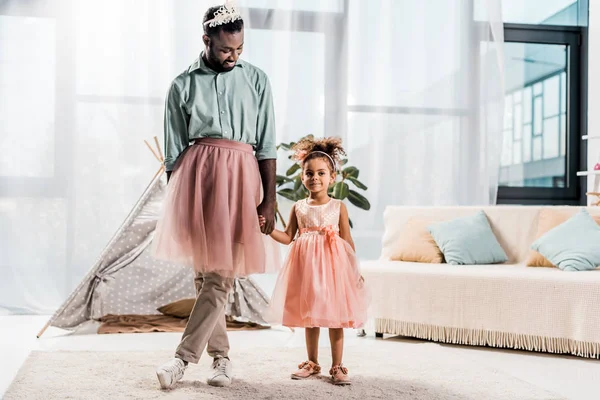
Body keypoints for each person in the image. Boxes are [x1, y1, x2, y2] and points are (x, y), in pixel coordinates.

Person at [152, 1, 277, 389]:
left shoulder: (257, 79)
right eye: (225, 50)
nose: (233, 56)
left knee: (220, 277)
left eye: (239, 49)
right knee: (204, 275)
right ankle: (221, 359)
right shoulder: (182, 84)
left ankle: (181, 360)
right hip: (197, 179)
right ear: (206, 40)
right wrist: (179, 205)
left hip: (240, 180)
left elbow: (267, 144)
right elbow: (174, 154)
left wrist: (269, 199)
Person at [262, 137, 369, 386]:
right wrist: (268, 229)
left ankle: (337, 365)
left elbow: (347, 241)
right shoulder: (298, 207)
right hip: (308, 271)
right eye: (309, 173)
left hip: (334, 271)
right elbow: (288, 237)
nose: (315, 178)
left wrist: (354, 270)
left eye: (321, 173)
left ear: (332, 177)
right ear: (302, 178)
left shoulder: (338, 206)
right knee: (311, 316)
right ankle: (312, 362)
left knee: (335, 317)